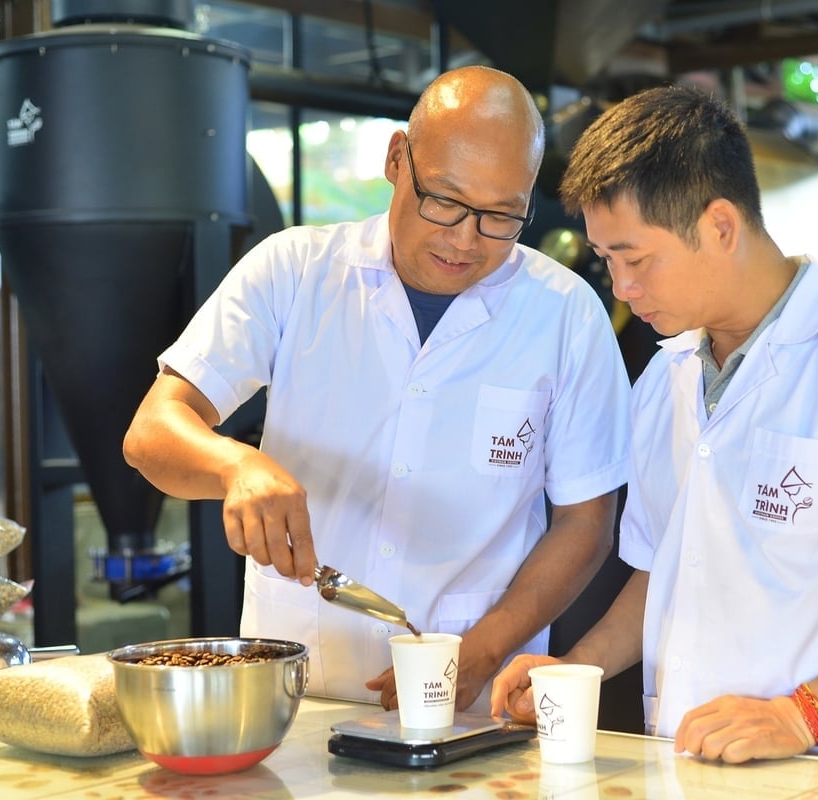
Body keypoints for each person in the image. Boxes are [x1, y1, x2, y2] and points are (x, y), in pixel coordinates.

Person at [490, 84, 818, 774]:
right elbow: (662, 573)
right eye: (607, 260)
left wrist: (801, 714)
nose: (620, 288)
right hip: (697, 766)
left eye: (635, 258)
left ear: (721, 227)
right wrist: (571, 670)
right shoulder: (666, 380)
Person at [123, 65, 631, 712]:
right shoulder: (296, 271)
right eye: (444, 200)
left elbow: (586, 524)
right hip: (294, 697)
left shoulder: (565, 314)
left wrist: (478, 651)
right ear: (398, 159)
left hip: (472, 709)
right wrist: (236, 466)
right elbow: (152, 432)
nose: (465, 239)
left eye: (502, 217)